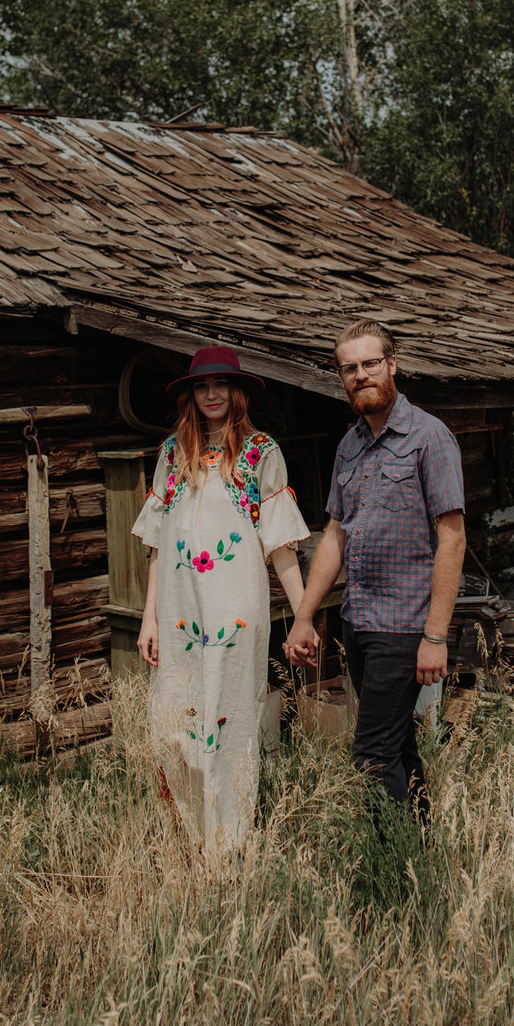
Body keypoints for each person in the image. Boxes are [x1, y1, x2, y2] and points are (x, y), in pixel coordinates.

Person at [284, 318, 466, 820]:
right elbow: (336, 536)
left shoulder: (430, 438)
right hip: (358, 623)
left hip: (404, 625)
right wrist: (304, 616)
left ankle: (388, 872)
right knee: (397, 745)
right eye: (349, 368)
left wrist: (436, 635)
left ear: (391, 364)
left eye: (369, 364)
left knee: (371, 755)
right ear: (341, 378)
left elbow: (452, 540)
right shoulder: (350, 445)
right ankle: (420, 854)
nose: (360, 375)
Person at [134, 345, 308, 849]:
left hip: (235, 608)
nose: (212, 394)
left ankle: (229, 843)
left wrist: (303, 616)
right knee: (174, 717)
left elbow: (280, 546)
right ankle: (189, 835)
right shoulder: (172, 453)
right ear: (191, 394)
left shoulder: (259, 452)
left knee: (229, 718)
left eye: (221, 384)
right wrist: (150, 619)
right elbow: (156, 545)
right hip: (179, 609)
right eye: (201, 385)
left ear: (237, 392)